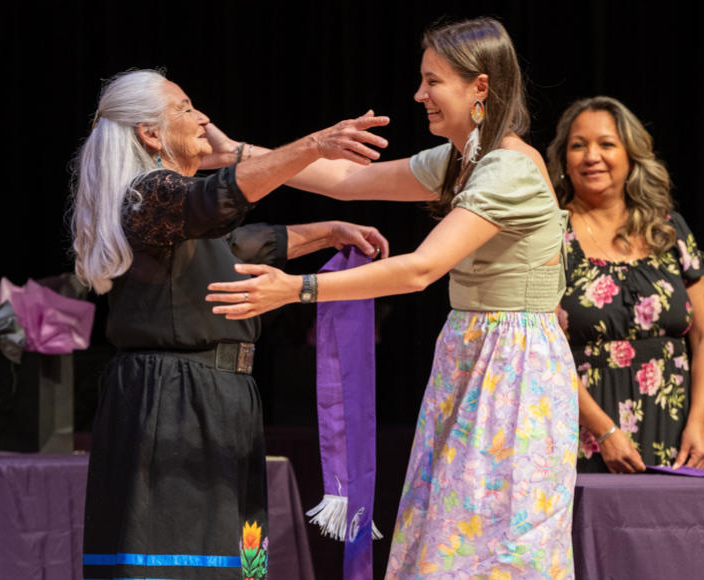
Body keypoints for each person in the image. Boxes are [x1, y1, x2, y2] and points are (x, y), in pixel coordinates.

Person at [206, 18, 579, 579]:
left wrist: (296, 289)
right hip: (477, 354)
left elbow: (421, 269)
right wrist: (236, 153)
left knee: (492, 541)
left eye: (433, 81)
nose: (419, 94)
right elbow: (345, 181)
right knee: (453, 530)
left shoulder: (507, 170)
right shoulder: (463, 159)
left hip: (512, 370)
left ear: (480, 87)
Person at [70, 69, 391, 580]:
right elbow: (215, 200)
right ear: (150, 135)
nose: (203, 118)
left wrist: (329, 232)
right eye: (185, 108)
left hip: (220, 395)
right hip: (172, 401)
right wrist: (314, 145)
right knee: (176, 562)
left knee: (235, 563)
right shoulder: (146, 196)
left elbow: (246, 242)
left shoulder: (180, 211)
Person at [546, 97, 704, 474]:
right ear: (564, 160)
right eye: (578, 145)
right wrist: (604, 431)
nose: (591, 156)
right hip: (583, 433)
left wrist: (699, 423)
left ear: (631, 156)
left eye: (606, 144)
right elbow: (543, 350)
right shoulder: (549, 236)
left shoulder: (668, 229)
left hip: (675, 434)